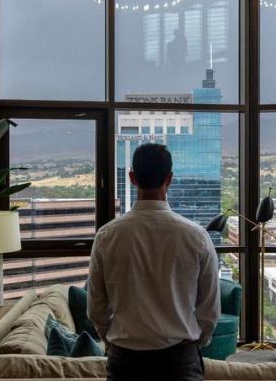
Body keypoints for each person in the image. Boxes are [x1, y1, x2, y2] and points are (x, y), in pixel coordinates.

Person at [87, 143, 220, 381]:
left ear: (132, 178)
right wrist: (196, 343)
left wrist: (110, 340)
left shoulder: (107, 236)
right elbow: (209, 310)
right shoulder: (197, 236)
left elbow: (96, 307)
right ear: (169, 178)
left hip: (125, 363)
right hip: (180, 362)